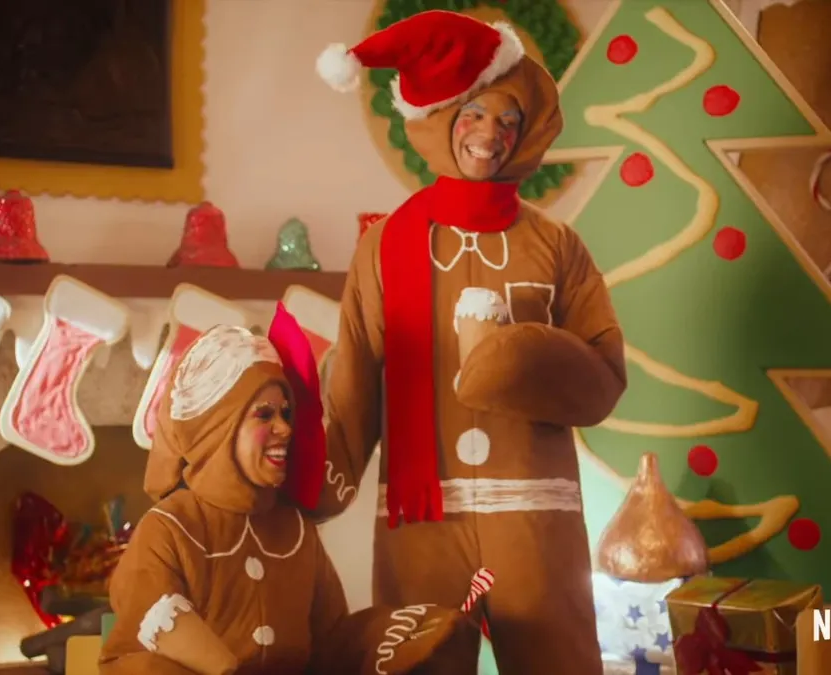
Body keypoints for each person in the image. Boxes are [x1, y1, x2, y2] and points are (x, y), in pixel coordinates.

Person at [312, 10, 627, 675]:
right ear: (440, 121)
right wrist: (312, 479)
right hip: (421, 524)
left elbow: (603, 375)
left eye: (508, 120)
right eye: (475, 116)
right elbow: (354, 393)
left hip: (534, 520)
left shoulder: (556, 245)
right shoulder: (383, 246)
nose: (491, 135)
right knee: (417, 665)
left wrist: (522, 361)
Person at [100, 313, 483, 675]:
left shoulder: (296, 531)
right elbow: (150, 623)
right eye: (264, 415)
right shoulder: (169, 528)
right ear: (217, 429)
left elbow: (331, 641)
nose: (284, 428)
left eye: (286, 413)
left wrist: (400, 637)